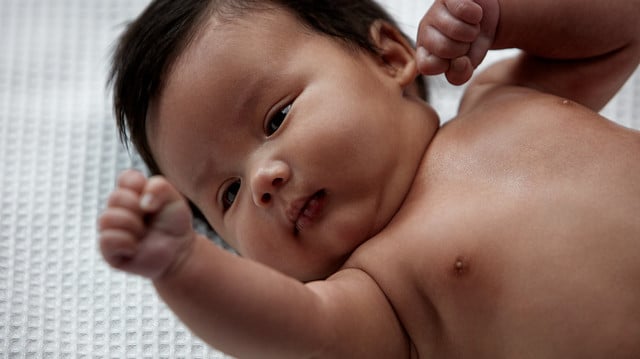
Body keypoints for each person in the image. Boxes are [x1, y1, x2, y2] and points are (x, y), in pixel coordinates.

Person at [99, 0, 640, 357]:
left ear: (389, 57)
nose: (261, 178)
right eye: (229, 194)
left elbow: (621, 30)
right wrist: (182, 268)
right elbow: (293, 333)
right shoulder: (377, 297)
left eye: (276, 118)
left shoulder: (506, 97)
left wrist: (506, 18)